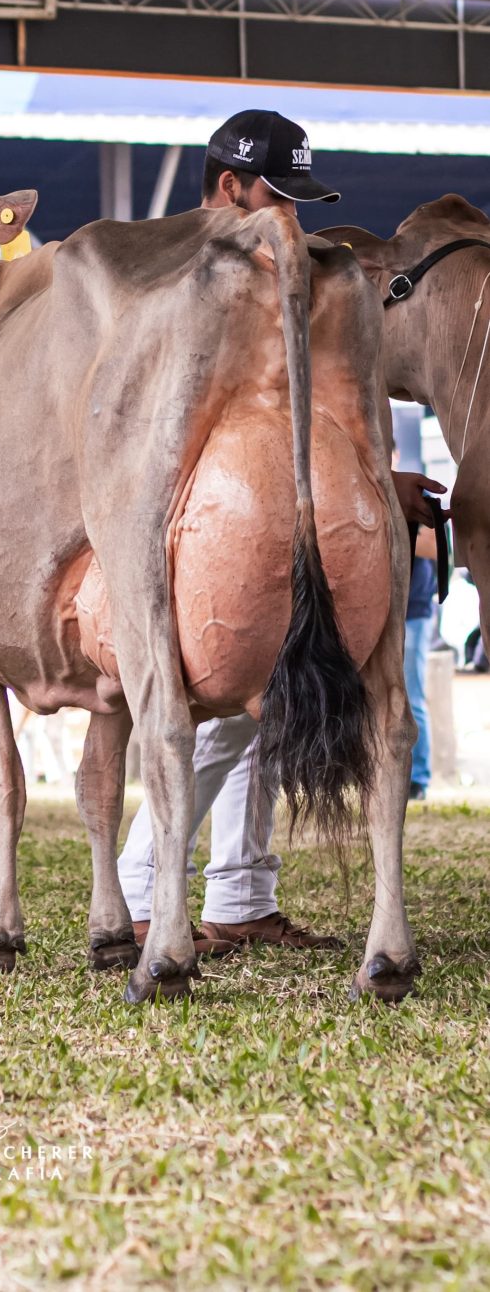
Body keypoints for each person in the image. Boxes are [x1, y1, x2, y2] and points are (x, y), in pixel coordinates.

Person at [117, 110, 445, 955]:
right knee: (213, 705)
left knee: (262, 707)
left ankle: (239, 893)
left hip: (278, 509)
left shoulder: (279, 273)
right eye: (278, 195)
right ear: (228, 188)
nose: (292, 216)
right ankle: (142, 890)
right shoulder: (175, 281)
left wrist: (373, 479)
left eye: (302, 198)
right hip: (201, 527)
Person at [404, 527, 439, 801]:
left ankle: (418, 778)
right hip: (376, 607)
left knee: (412, 697)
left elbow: (433, 547)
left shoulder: (419, 486)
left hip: (414, 610)